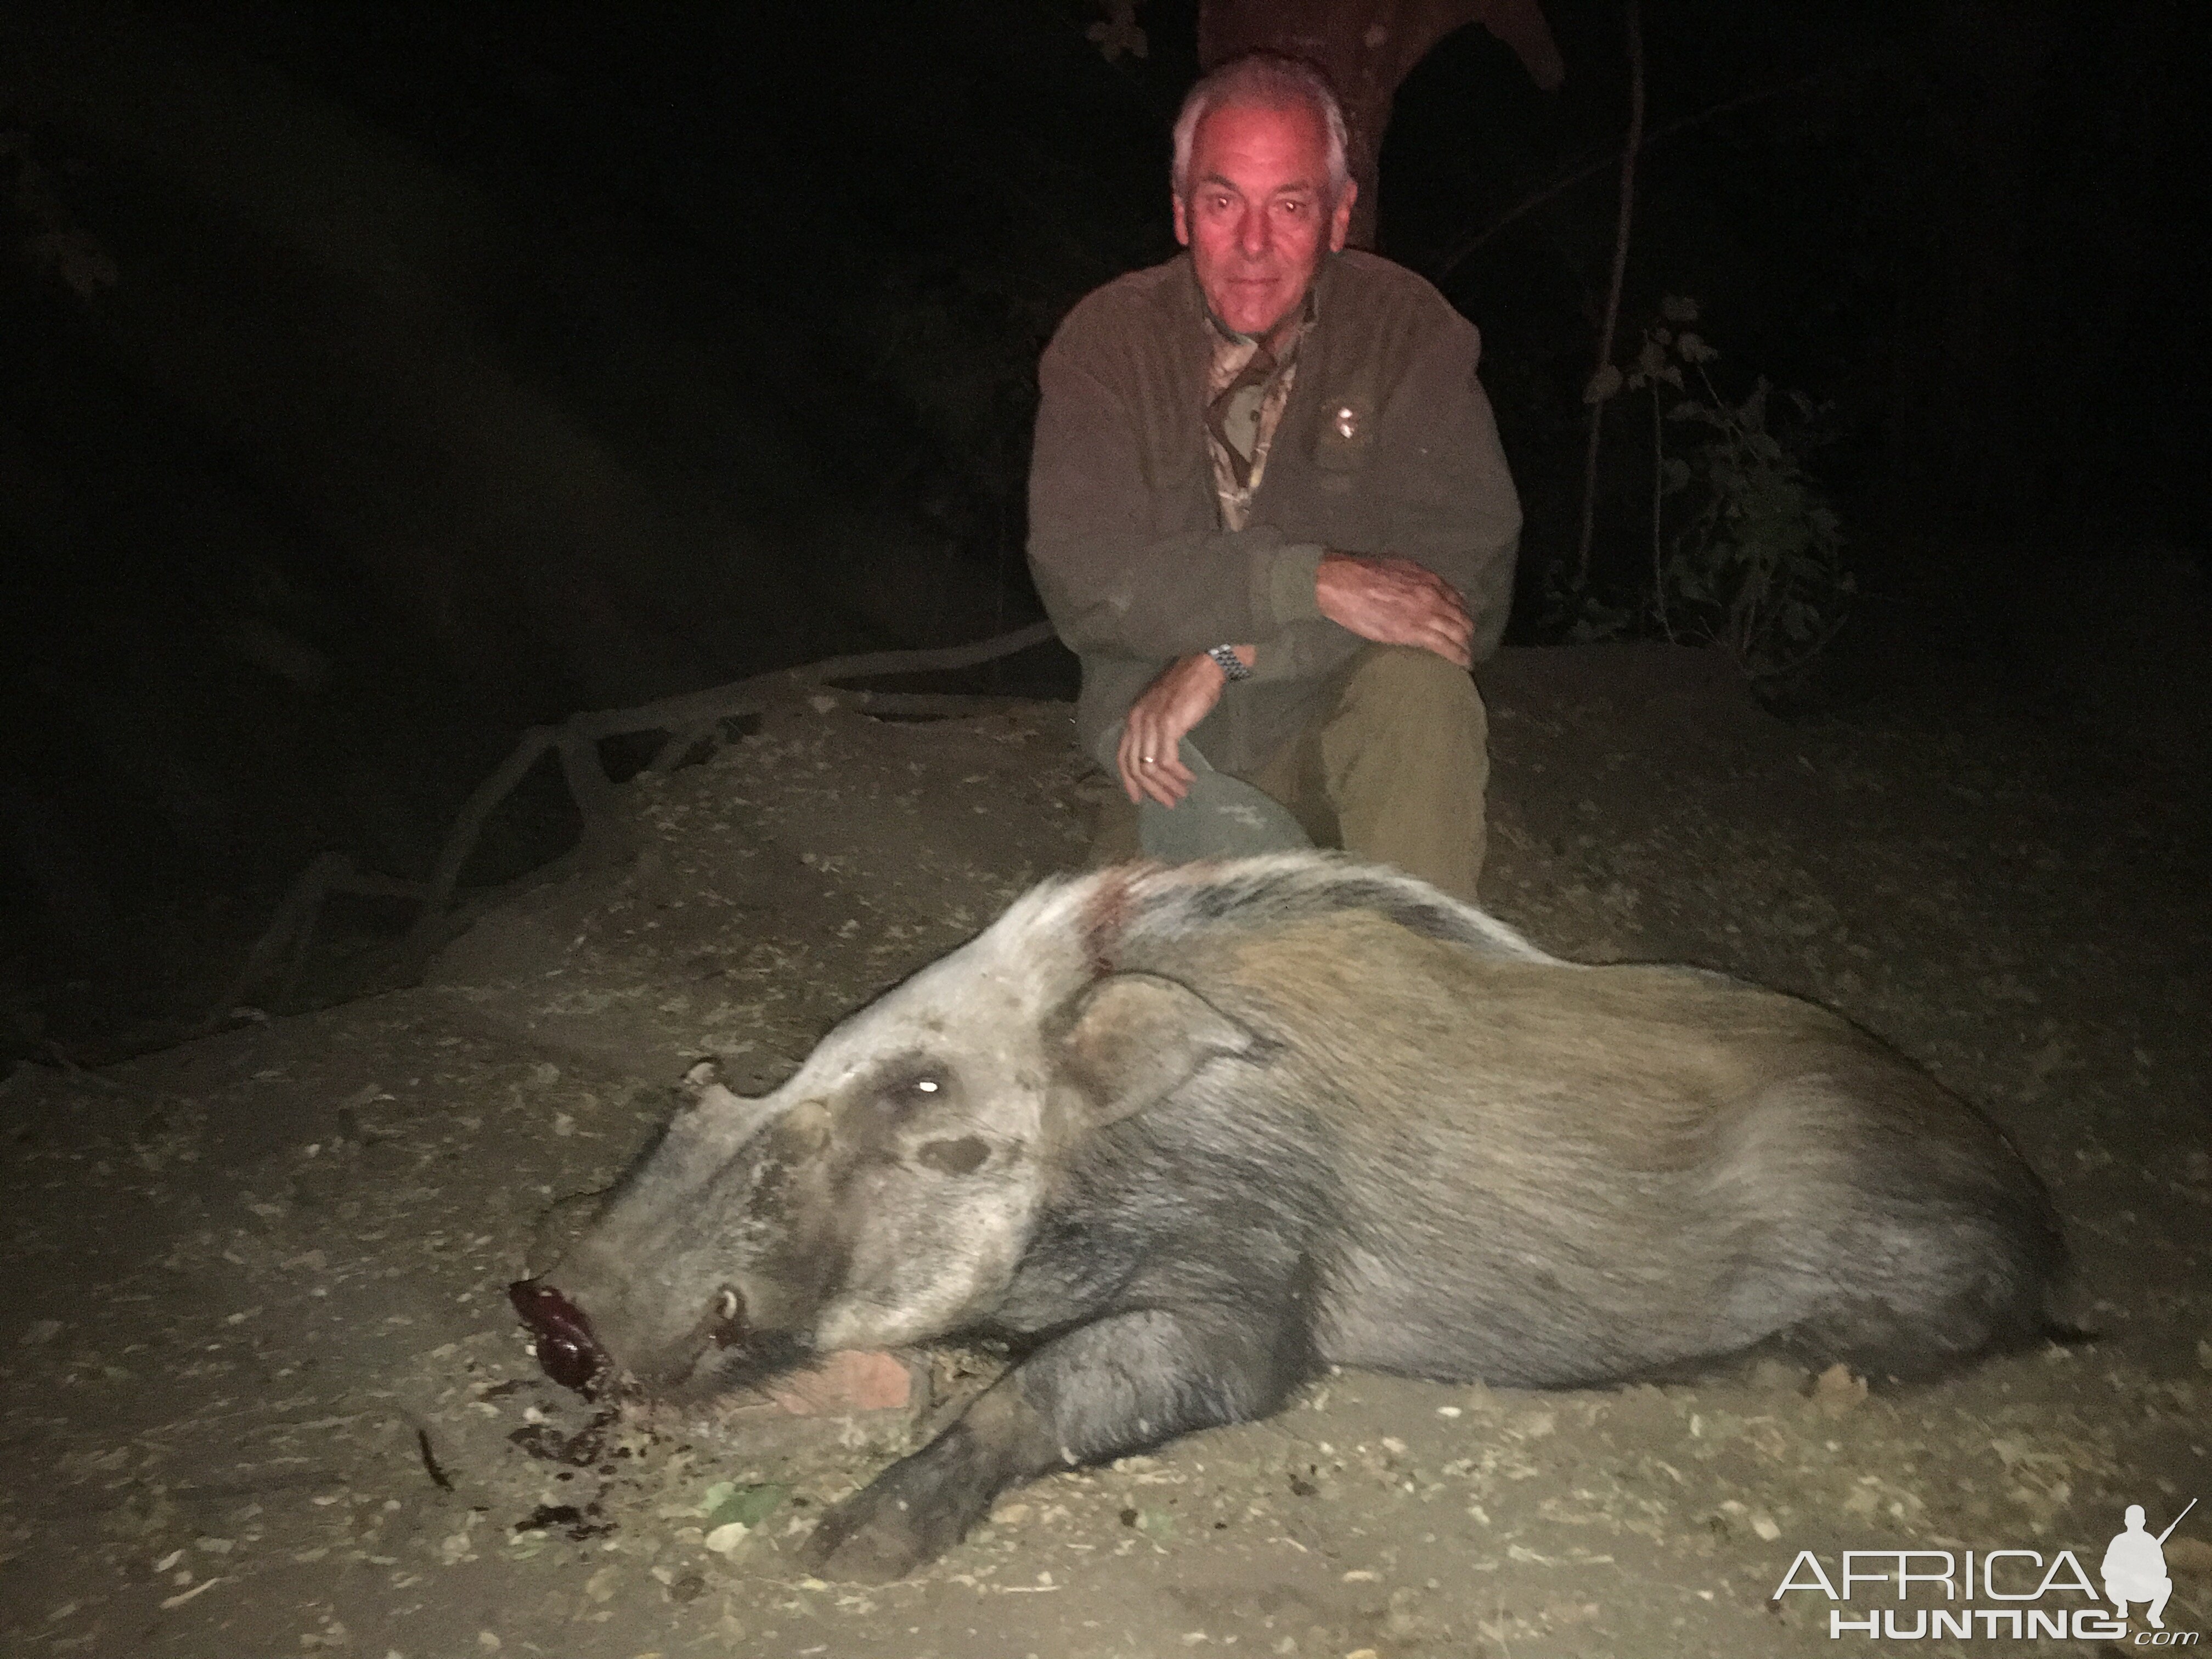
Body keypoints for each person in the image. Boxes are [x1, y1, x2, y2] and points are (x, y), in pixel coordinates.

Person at [1028, 50, 1522, 901]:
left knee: (1423, 688)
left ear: (1338, 217)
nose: (1253, 245)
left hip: (1344, 736)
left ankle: (1419, 999)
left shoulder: (1409, 334)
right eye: (1224, 202)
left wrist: (1236, 649)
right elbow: (1088, 579)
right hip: (1172, 751)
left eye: (1290, 205)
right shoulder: (1106, 344)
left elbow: (1460, 588)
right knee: (1162, 1000)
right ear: (1182, 212)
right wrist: (1310, 580)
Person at [2101, 1504, 2175, 1628]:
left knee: (2166, 1583)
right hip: (2123, 1589)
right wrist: (2123, 1572)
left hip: (2145, 1588)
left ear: (2143, 1522)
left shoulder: (2151, 1542)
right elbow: (2106, 1569)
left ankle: (2154, 1615)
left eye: (2138, 1520)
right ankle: (2122, 1606)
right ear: (2126, 1522)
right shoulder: (2119, 1541)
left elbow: (2163, 1571)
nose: (2134, 1523)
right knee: (2110, 1583)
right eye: (2131, 1520)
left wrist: (2146, 1568)